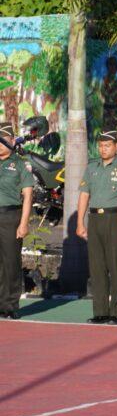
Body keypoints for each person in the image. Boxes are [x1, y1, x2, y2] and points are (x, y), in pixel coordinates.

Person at [76, 127, 117, 324]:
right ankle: (100, 311)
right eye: (101, 145)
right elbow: (84, 195)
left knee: (115, 265)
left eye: (108, 145)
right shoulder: (91, 167)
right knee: (97, 267)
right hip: (95, 219)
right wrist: (80, 222)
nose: (103, 149)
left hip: (115, 218)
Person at [0, 123, 34, 320]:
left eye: (4, 140)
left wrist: (24, 223)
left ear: (12, 141)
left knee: (11, 262)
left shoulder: (20, 164)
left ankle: (10, 305)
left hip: (10, 216)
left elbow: (28, 196)